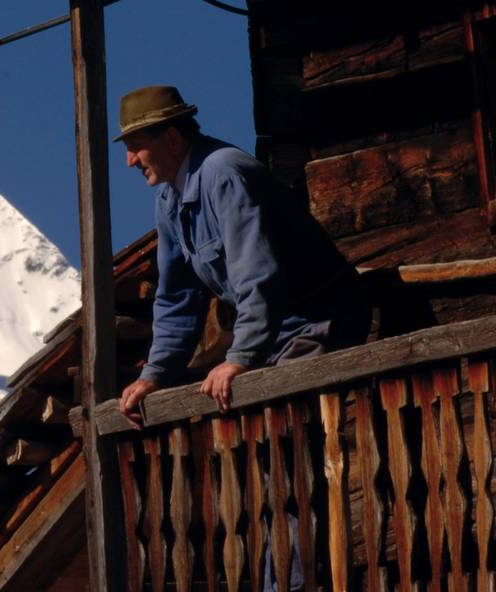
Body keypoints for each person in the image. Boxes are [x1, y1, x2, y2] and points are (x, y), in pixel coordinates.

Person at [114, 85, 368, 430]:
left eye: (135, 147)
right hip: (275, 338)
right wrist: (154, 375)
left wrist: (241, 356)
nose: (129, 161)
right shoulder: (169, 201)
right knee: (261, 439)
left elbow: (258, 274)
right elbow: (177, 299)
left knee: (283, 433)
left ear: (172, 140)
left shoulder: (224, 174)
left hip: (315, 324)